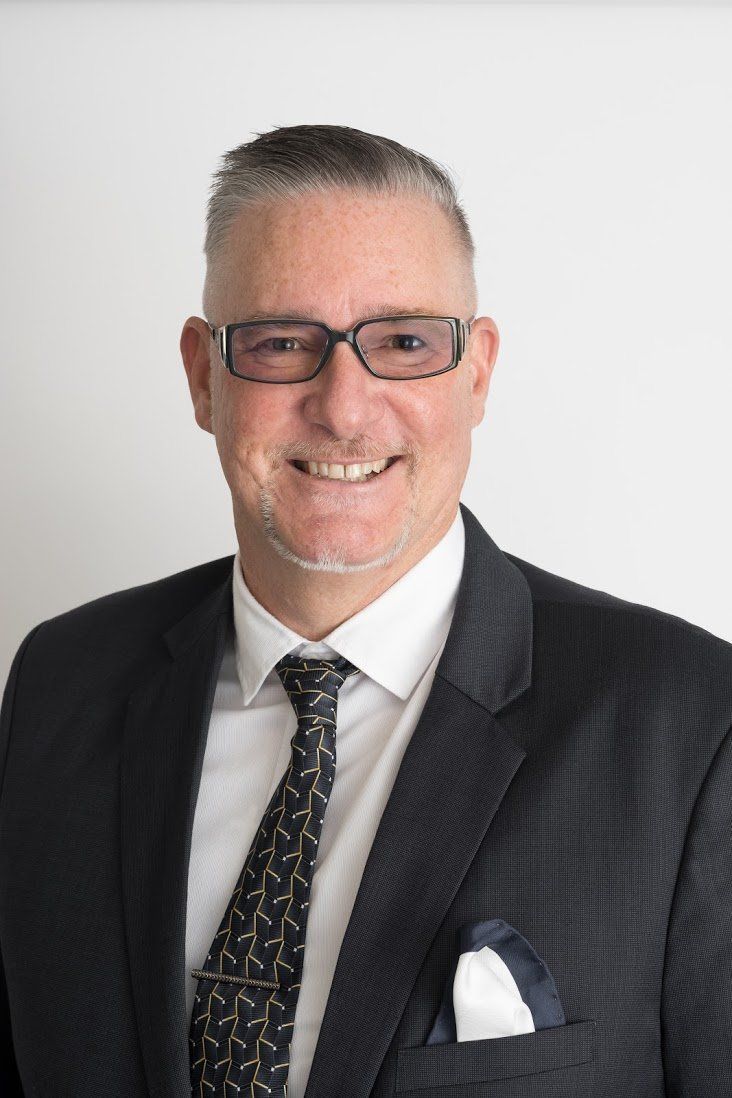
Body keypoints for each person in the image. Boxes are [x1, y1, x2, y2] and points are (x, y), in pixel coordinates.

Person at [1, 124, 730, 1098]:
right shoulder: (62, 684)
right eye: (280, 342)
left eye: (404, 342)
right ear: (200, 376)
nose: (344, 407)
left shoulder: (686, 728)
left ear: (476, 374)